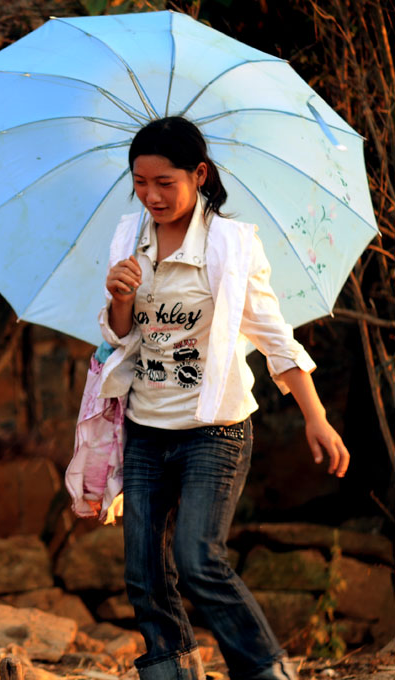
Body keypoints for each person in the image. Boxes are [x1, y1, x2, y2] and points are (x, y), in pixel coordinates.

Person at [97, 116, 350, 680]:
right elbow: (123, 337)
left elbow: (274, 337)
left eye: (166, 182)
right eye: (140, 182)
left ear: (199, 175)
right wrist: (119, 299)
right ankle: (171, 668)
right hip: (145, 427)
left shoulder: (232, 246)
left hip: (215, 431)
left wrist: (317, 418)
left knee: (198, 558)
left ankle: (264, 669)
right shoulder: (125, 237)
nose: (152, 195)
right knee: (143, 570)